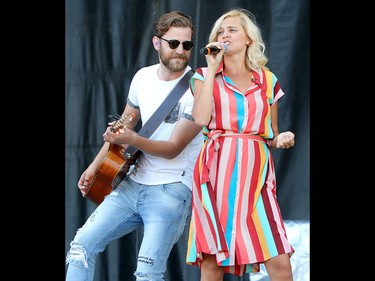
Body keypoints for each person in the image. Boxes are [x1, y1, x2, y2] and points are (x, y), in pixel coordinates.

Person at [65, 11, 204, 281]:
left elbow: (174, 147)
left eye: (187, 45)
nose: (180, 51)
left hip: (171, 189)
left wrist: (131, 138)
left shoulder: (198, 88)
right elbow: (123, 125)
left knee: (148, 273)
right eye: (173, 43)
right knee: (80, 248)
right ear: (157, 43)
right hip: (132, 184)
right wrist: (95, 167)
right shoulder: (142, 77)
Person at [185, 8, 295, 281]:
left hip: (256, 180)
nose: (224, 35)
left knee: (279, 257)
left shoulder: (267, 80)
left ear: (248, 39)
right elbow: (200, 118)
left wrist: (280, 139)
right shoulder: (202, 76)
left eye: (232, 30)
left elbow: (270, 134)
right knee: (213, 261)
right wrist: (211, 68)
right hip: (216, 175)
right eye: (220, 31)